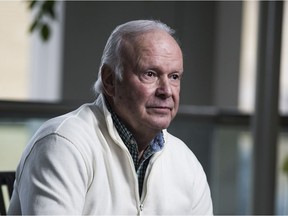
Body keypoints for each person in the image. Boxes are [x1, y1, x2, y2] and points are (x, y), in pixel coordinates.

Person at [8, 19, 213, 215]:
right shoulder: (62, 144)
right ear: (109, 80)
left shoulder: (186, 162)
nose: (167, 91)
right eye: (150, 74)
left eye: (174, 76)